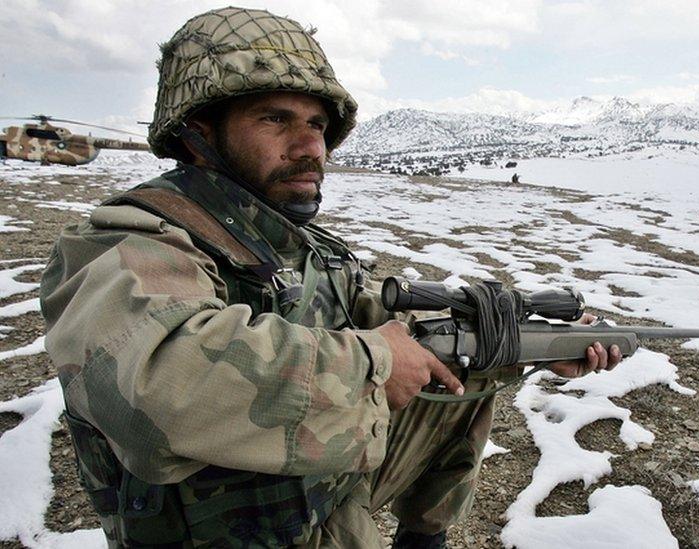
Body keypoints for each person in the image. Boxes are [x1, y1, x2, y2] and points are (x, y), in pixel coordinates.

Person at [39, 7, 620, 548]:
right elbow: (152, 390)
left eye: (318, 125)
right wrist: (376, 362)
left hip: (319, 491)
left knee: (459, 382)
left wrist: (524, 345)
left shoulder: (295, 242)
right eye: (276, 119)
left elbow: (391, 323)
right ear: (199, 132)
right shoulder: (132, 240)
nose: (310, 146)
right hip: (228, 530)